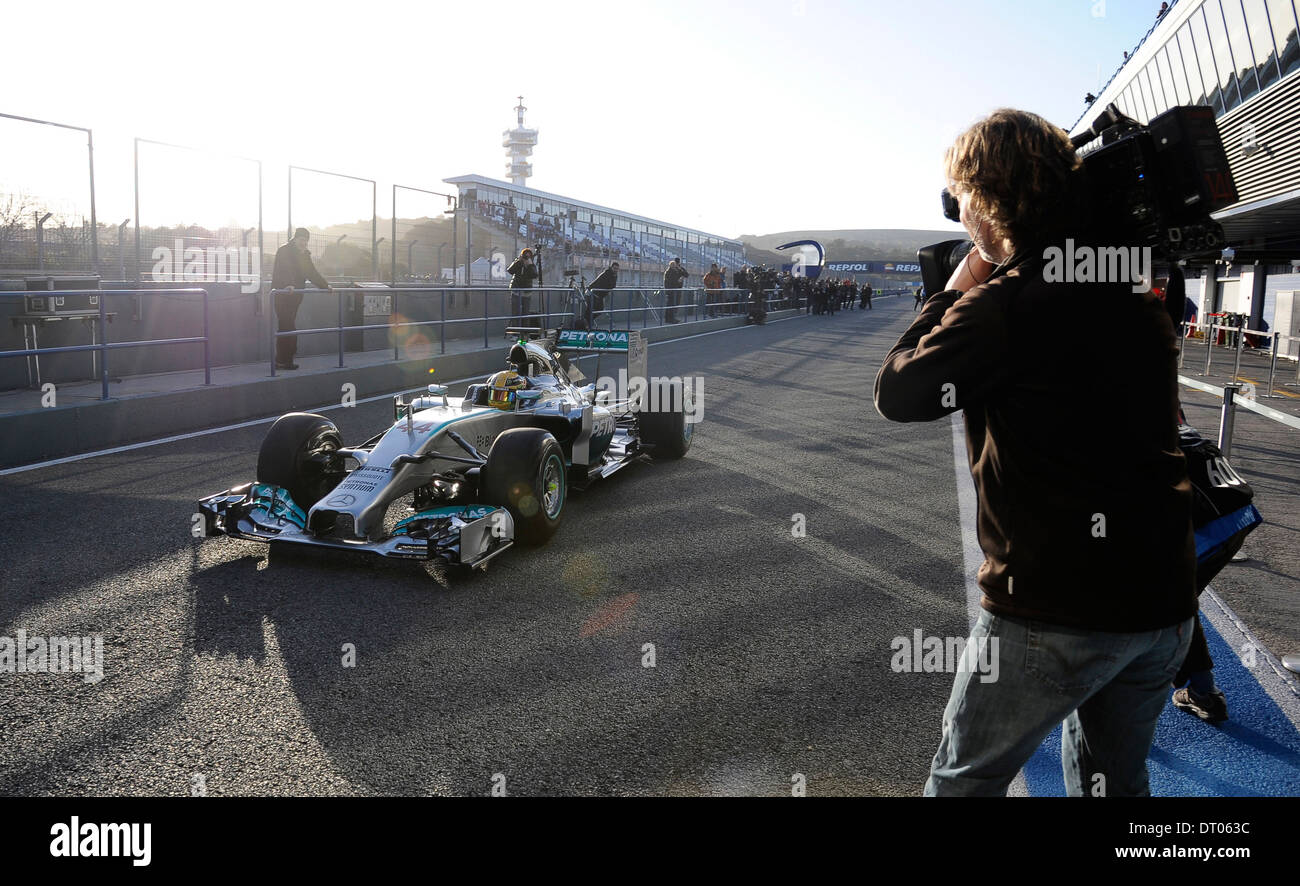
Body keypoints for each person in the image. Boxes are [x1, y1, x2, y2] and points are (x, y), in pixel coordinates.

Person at [874, 108, 1197, 797]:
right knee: (1112, 786)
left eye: (961, 198)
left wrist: (954, 290)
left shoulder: (1002, 306)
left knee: (963, 783)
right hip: (1162, 597)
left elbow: (899, 392)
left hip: (1052, 606)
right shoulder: (1133, 290)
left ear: (986, 202)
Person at [271, 228, 331, 370]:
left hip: (295, 296)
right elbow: (283, 269)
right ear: (295, 238)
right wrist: (288, 284)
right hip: (282, 295)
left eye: (306, 240)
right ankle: (284, 360)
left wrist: (325, 286)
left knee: (287, 326)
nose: (304, 243)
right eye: (301, 239)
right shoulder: (284, 251)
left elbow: (311, 272)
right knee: (287, 326)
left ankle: (283, 360)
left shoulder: (304, 255)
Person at [507, 247, 539, 327]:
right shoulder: (518, 263)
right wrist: (519, 261)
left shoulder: (531, 265)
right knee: (515, 313)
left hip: (526, 291)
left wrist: (530, 265)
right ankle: (515, 332)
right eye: (525, 256)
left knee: (525, 313)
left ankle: (525, 332)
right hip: (516, 290)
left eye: (528, 256)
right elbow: (510, 270)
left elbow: (534, 275)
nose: (526, 258)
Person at [587, 261, 619, 328]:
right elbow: (598, 281)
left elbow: (613, 286)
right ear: (611, 268)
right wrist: (589, 288)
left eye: (617, 269)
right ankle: (587, 324)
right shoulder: (607, 273)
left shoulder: (614, 275)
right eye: (614, 268)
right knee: (592, 310)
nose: (616, 270)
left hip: (600, 295)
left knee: (599, 310)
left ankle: (589, 322)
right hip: (595, 293)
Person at [663, 258, 688, 323]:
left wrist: (680, 269)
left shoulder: (677, 270)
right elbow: (673, 282)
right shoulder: (670, 272)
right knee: (671, 304)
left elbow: (686, 274)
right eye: (674, 265)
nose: (675, 266)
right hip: (672, 290)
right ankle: (670, 318)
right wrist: (679, 281)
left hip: (676, 290)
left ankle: (671, 318)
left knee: (674, 304)